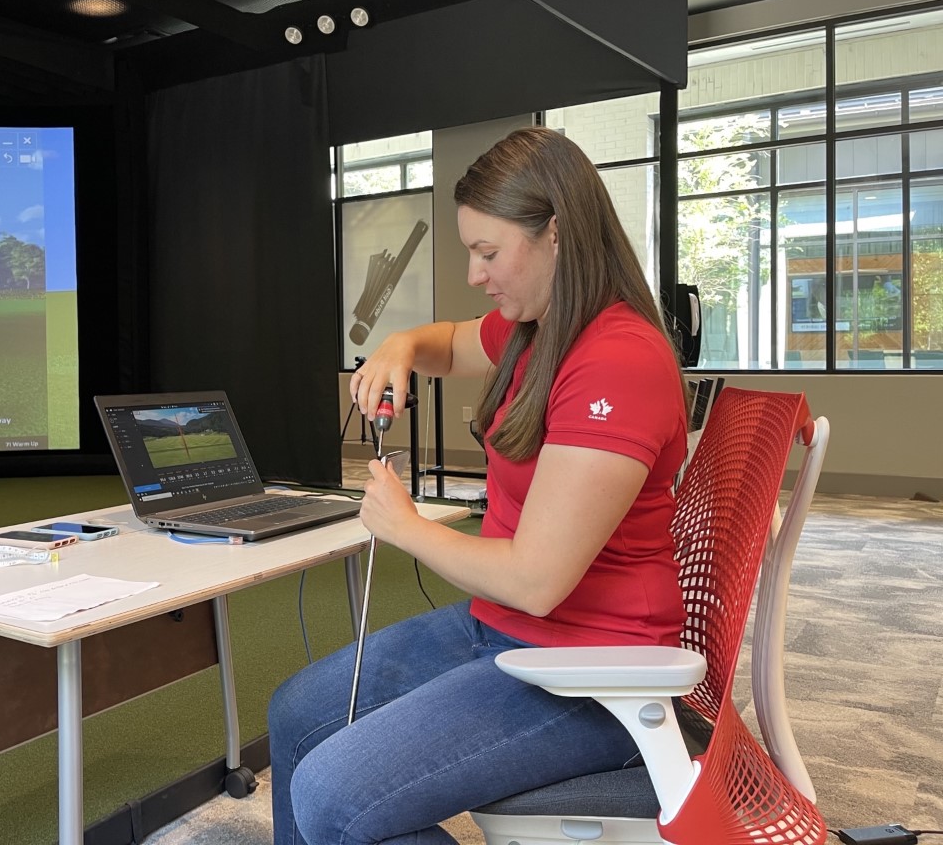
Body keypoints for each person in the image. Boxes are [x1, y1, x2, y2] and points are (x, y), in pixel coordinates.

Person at [268, 126, 690, 845]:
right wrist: (400, 346)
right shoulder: (536, 327)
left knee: (333, 798)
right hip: (503, 629)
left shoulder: (617, 360)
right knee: (297, 715)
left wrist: (405, 525)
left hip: (589, 672)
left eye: (488, 252)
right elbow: (448, 341)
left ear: (555, 233)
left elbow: (535, 581)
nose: (474, 273)